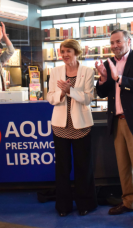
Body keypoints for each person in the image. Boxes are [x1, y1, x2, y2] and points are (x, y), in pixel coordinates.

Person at [95, 29, 133, 228]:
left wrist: (119, 78)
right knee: (123, 167)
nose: (115, 46)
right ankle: (129, 201)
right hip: (117, 121)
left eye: (118, 42)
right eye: (112, 43)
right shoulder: (108, 63)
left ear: (128, 41)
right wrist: (103, 79)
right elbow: (103, 93)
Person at [47, 39, 97, 217]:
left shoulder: (87, 71)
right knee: (62, 168)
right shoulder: (55, 71)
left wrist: (70, 90)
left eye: (68, 51)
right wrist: (62, 92)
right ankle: (63, 206)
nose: (65, 54)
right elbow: (51, 98)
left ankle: (85, 203)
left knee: (83, 167)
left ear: (76, 52)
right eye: (62, 51)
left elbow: (89, 98)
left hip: (81, 126)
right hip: (60, 126)